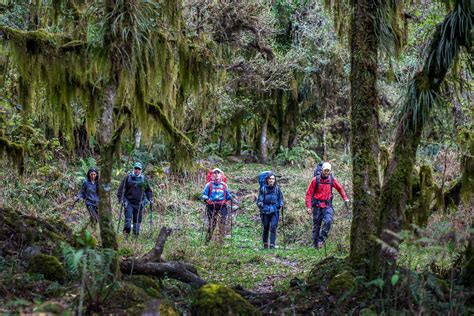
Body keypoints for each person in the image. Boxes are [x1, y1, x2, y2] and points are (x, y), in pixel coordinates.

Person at [305, 162, 349, 248]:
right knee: (316, 226)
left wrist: (345, 198)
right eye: (325, 170)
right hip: (317, 206)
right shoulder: (315, 180)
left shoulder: (332, 180)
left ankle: (321, 239)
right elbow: (309, 194)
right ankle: (315, 245)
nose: (326, 172)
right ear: (322, 170)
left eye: (328, 171)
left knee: (328, 221)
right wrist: (308, 207)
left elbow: (340, 188)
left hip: (327, 206)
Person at [117, 162, 153, 237]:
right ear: (133, 169)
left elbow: (148, 190)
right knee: (128, 221)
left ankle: (135, 236)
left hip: (140, 203)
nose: (137, 170)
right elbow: (121, 190)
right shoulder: (127, 178)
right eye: (136, 168)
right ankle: (126, 235)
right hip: (129, 202)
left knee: (137, 222)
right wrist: (121, 199)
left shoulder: (144, 179)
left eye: (139, 169)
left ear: (141, 170)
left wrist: (150, 198)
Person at [201, 168, 232, 243]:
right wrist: (206, 199)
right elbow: (204, 195)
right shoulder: (209, 185)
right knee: (212, 223)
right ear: (212, 175)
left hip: (222, 205)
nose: (216, 174)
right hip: (211, 205)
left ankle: (221, 241)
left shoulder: (224, 185)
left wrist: (230, 197)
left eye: (218, 173)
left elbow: (228, 196)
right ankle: (207, 241)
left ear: (221, 175)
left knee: (222, 222)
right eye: (215, 173)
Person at [257, 172, 283, 249]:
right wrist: (260, 204)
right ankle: (265, 244)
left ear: (275, 180)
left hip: (274, 210)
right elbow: (259, 200)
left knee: (273, 227)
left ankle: (272, 245)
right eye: (270, 179)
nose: (271, 180)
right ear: (267, 180)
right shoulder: (263, 189)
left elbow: (280, 198)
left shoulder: (277, 189)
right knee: (266, 227)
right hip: (265, 211)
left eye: (273, 179)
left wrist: (280, 204)